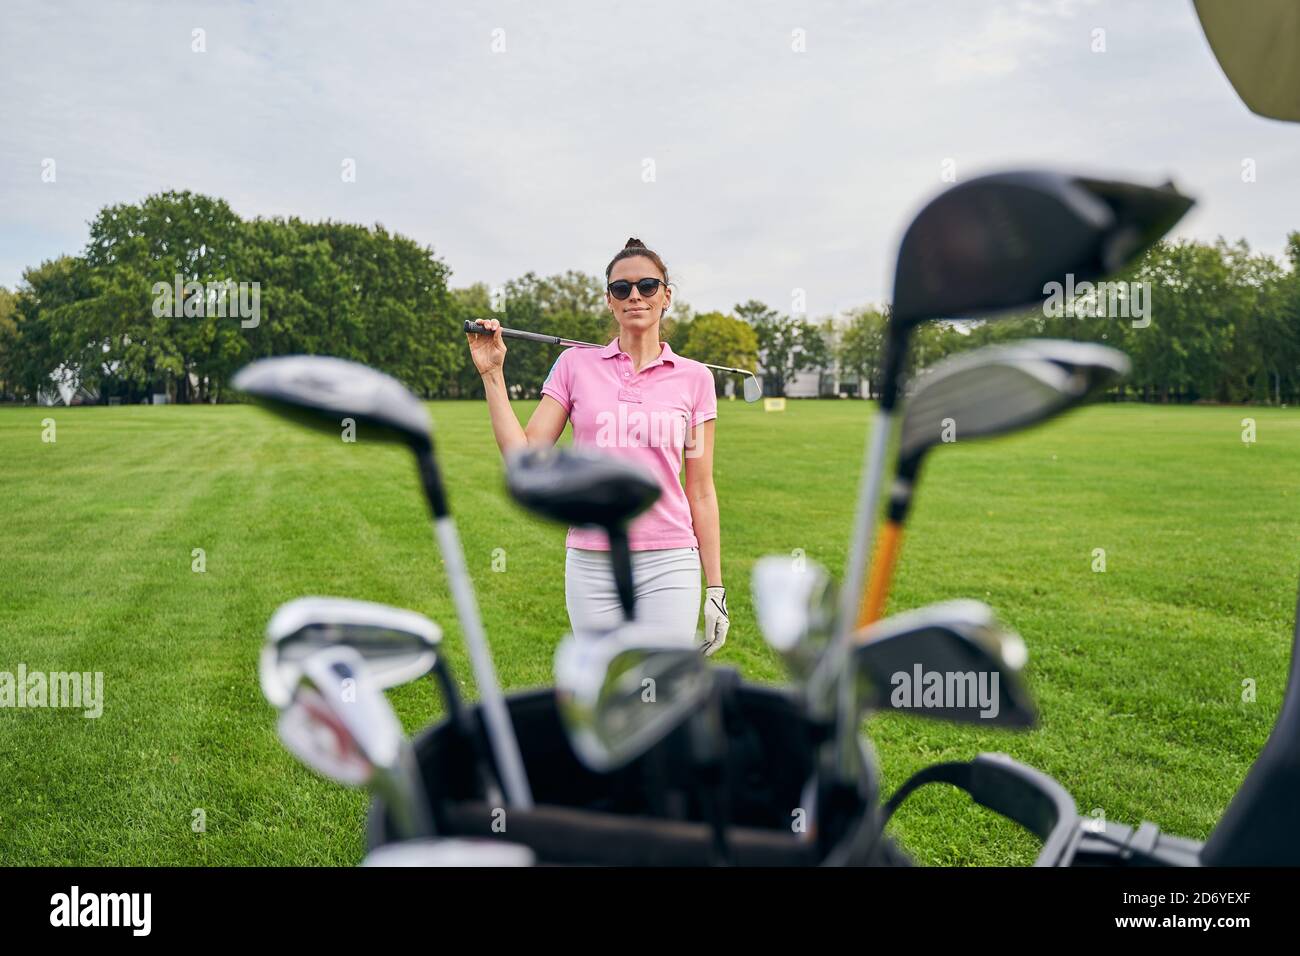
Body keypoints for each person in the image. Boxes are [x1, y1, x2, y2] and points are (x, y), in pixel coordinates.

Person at [468, 237, 729, 655]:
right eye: (621, 289)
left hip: (670, 559)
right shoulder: (574, 365)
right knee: (602, 692)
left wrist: (714, 586)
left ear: (666, 296)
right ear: (609, 301)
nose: (635, 296)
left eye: (647, 285)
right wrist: (493, 374)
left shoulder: (696, 378)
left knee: (660, 693)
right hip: (592, 561)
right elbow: (526, 458)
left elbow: (700, 489)